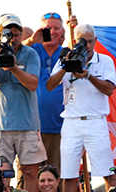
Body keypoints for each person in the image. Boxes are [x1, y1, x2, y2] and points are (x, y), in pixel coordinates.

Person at [46, 23, 116, 192]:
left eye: (90, 41)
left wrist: (88, 76)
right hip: (71, 122)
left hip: (96, 120)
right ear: (74, 41)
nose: (86, 46)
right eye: (81, 41)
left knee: (107, 171)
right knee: (68, 174)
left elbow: (109, 89)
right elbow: (50, 85)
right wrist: (65, 65)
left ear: (95, 41)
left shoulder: (105, 61)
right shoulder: (65, 58)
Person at [0, 14, 47, 192]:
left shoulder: (30, 54)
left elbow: (33, 84)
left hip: (28, 126)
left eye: (17, 33)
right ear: (0, 34)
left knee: (30, 172)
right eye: (9, 33)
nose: (13, 37)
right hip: (0, 128)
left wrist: (14, 68)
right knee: (0, 173)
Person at [23, 12, 75, 173]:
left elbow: (83, 54)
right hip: (33, 126)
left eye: (57, 28)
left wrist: (76, 30)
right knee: (30, 173)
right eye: (48, 28)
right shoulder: (32, 49)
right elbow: (13, 52)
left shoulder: (66, 52)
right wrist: (32, 39)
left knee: (58, 173)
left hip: (60, 126)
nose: (52, 32)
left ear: (62, 31)